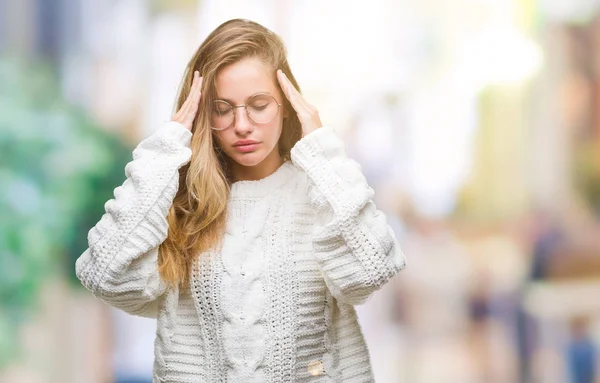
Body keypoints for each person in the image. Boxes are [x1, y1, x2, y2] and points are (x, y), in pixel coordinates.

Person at [75, 18, 406, 382]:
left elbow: (370, 273)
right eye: (223, 108)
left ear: (286, 104)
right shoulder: (182, 204)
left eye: (258, 104)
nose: (242, 124)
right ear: (204, 113)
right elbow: (105, 275)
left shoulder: (322, 193)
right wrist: (164, 151)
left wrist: (323, 151)